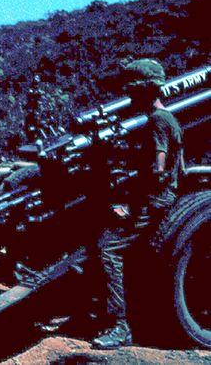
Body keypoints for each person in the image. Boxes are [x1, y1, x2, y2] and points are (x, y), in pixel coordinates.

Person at [93, 58, 185, 349]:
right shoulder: (171, 118)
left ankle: (120, 327)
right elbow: (180, 168)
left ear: (146, 89)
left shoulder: (156, 121)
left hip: (153, 201)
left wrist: (133, 206)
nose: (129, 95)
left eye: (133, 89)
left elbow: (158, 169)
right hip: (165, 197)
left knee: (108, 249)